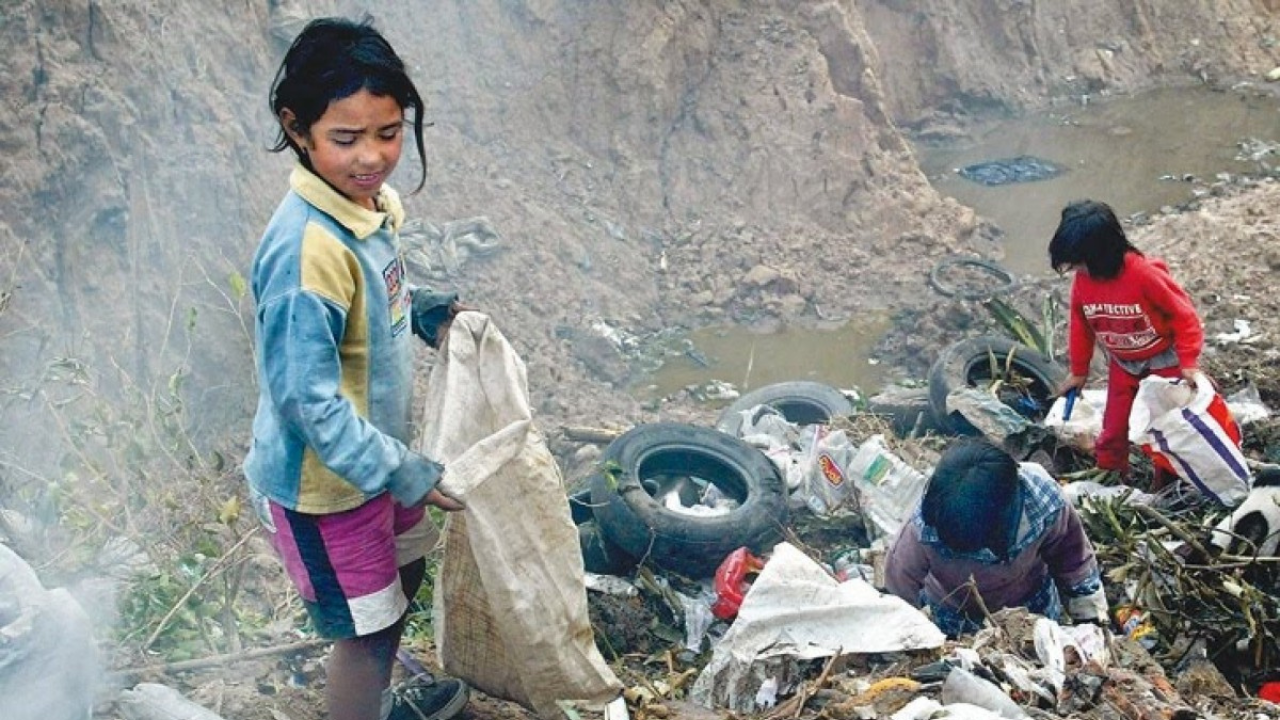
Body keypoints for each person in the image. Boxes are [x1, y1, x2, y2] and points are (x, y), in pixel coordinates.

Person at [244, 16, 470, 720]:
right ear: (297, 127)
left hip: (377, 457)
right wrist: (402, 469)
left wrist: (420, 309)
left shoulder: (365, 207)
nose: (372, 155)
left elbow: (368, 300)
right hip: (327, 486)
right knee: (365, 631)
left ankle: (369, 706)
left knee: (401, 581)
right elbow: (307, 401)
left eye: (389, 131)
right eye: (346, 139)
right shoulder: (306, 249)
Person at [1050, 199, 1205, 484]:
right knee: (1113, 427)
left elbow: (1185, 317)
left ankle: (1167, 479)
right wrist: (1078, 371)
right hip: (1124, 363)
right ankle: (1111, 473)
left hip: (1163, 361)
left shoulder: (1143, 275)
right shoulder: (1083, 283)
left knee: (1166, 424)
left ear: (1101, 254)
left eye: (1081, 263)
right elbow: (1080, 326)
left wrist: (1189, 363)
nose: (1077, 269)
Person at [884, 440, 1107, 637]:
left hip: (1031, 613)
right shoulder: (924, 527)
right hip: (955, 618)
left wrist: (1088, 621)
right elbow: (899, 596)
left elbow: (1074, 561)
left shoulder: (1044, 504)